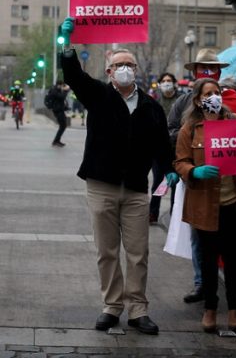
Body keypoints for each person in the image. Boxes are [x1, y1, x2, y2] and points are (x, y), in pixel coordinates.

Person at [58, 17, 179, 335]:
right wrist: (67, 45)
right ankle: (112, 306)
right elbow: (72, 74)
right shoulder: (97, 95)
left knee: (138, 252)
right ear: (109, 72)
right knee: (107, 251)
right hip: (102, 187)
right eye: (119, 64)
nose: (125, 68)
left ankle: (138, 309)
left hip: (137, 190)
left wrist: (169, 174)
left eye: (130, 64)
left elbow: (162, 149)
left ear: (135, 71)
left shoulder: (152, 107)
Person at [167, 49, 236, 308]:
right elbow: (172, 134)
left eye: (213, 68)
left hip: (231, 186)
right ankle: (202, 283)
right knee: (199, 237)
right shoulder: (183, 105)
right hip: (200, 185)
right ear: (195, 72)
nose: (209, 73)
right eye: (203, 68)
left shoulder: (234, 105)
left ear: (220, 73)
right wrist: (194, 155)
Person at [174, 77, 236, 334]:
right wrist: (194, 171)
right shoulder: (189, 128)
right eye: (209, 93)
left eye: (217, 92)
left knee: (233, 259)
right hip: (203, 205)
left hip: (232, 202)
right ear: (198, 100)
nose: (215, 96)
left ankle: (234, 310)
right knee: (208, 260)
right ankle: (210, 308)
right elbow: (180, 162)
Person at [149, 72, 182, 224]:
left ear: (174, 83)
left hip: (177, 147)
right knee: (157, 181)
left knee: (175, 182)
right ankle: (153, 213)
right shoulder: (154, 100)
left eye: (169, 80)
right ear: (160, 83)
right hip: (158, 147)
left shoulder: (181, 99)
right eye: (164, 81)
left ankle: (173, 215)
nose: (167, 83)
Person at [48, 79, 70, 147]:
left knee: (63, 126)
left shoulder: (57, 90)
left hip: (60, 110)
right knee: (63, 126)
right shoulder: (54, 90)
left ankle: (57, 140)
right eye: (62, 86)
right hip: (57, 110)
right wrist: (66, 90)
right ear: (59, 85)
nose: (62, 87)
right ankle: (56, 141)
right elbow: (62, 97)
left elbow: (61, 100)